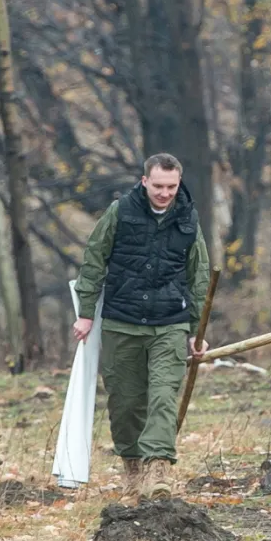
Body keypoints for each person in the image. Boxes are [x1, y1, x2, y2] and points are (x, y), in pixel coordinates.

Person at [72, 154, 211, 500]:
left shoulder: (188, 218)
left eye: (172, 187)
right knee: (125, 403)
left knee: (163, 396)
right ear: (145, 180)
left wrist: (197, 330)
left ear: (179, 183)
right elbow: (94, 259)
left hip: (170, 323)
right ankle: (132, 466)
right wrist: (86, 312)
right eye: (159, 186)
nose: (165, 193)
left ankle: (158, 468)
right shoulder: (120, 212)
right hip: (122, 322)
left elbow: (199, 276)